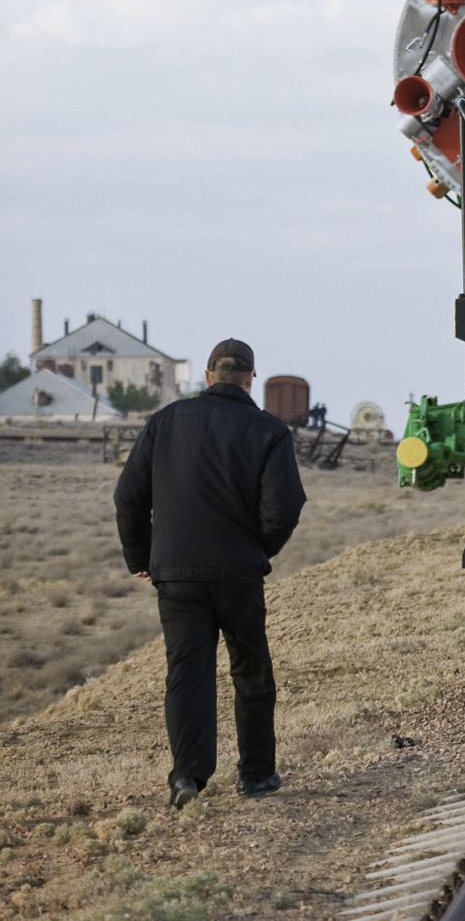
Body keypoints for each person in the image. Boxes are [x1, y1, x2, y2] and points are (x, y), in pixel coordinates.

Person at [114, 338, 307, 808]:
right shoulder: (270, 431)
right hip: (238, 575)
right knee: (251, 669)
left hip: (176, 575)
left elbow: (128, 497)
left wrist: (141, 556)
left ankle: (187, 778)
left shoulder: (163, 423)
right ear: (249, 380)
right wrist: (257, 549)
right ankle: (257, 776)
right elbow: (283, 510)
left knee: (187, 672)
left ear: (207, 377)